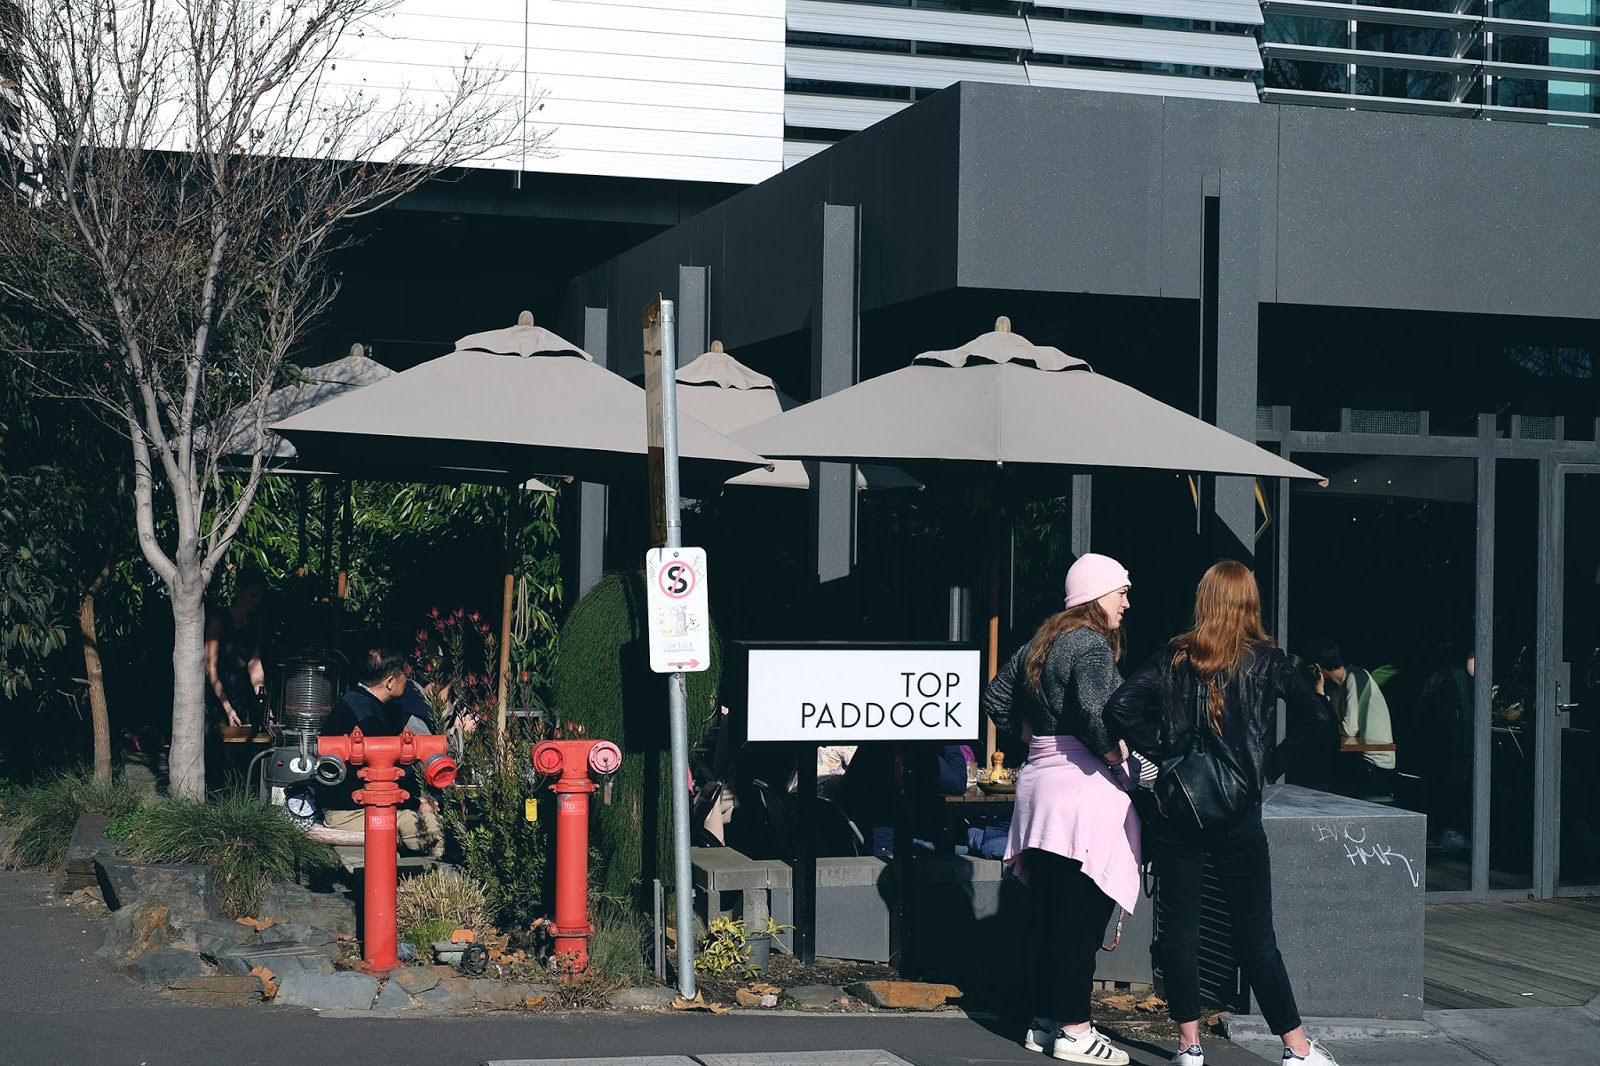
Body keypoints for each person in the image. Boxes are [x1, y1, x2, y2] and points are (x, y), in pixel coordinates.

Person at [1105, 561, 1339, 1066]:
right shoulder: (1267, 660)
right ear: (1249, 602)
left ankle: (1189, 1046)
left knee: (1179, 931)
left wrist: (1165, 757)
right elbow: (1317, 719)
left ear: (1204, 600)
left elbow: (1120, 707)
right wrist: (1269, 765)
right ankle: (1296, 1050)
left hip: (1177, 810)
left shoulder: (1175, 654)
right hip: (1237, 813)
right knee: (1255, 934)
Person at [984, 552, 1138, 1065]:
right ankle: (1074, 1029)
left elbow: (996, 698)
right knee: (1080, 918)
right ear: (1096, 594)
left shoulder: (1041, 640)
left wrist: (1028, 734)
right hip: (1080, 794)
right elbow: (1101, 718)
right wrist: (1125, 762)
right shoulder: (1092, 645)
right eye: (1121, 591)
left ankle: (1045, 1022)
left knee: (1052, 914)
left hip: (1039, 786)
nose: (1127, 602)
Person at [319, 645, 445, 858]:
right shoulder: (369, 719)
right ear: (390, 682)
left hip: (352, 804)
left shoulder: (356, 701)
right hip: (350, 812)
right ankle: (437, 881)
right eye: (404, 676)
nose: (408, 681)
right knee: (433, 827)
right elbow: (381, 780)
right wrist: (418, 804)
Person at [1304, 637, 1396, 775]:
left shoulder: (1355, 676)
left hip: (1374, 762)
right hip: (1356, 757)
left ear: (1316, 667)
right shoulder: (1333, 688)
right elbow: (1325, 723)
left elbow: (1349, 729)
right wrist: (1319, 690)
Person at [205, 569, 267, 729]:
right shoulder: (219, 619)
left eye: (260, 596)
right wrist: (226, 706)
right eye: (252, 595)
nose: (257, 600)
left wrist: (263, 701)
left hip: (240, 695)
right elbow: (210, 667)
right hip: (217, 694)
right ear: (240, 592)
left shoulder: (255, 621)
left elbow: (255, 663)